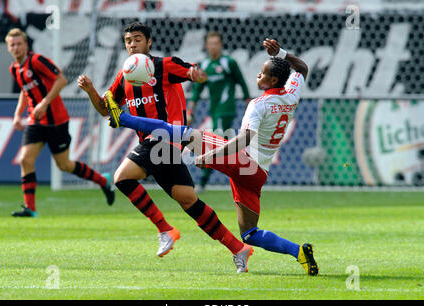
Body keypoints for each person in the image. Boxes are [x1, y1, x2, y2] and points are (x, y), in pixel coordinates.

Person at [106, 38, 319, 276]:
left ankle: (123, 119)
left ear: (273, 81)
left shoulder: (259, 105)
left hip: (244, 161)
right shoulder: (291, 93)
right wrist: (282, 53)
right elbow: (302, 68)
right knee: (250, 234)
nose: (258, 76)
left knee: (185, 134)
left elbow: (243, 140)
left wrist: (210, 156)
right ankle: (299, 252)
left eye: (262, 74)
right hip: (258, 174)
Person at [77, 22, 253, 273]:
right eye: (128, 40)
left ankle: (165, 229)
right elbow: (107, 110)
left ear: (149, 42)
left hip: (165, 139)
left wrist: (197, 75)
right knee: (188, 200)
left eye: (138, 39)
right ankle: (239, 248)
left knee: (122, 178)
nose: (132, 44)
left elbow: (194, 72)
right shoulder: (125, 76)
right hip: (158, 146)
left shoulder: (163, 65)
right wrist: (91, 91)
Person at [5, 28, 115, 218]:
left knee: (64, 165)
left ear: (26, 45)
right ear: (8, 48)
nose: (16, 47)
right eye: (12, 45)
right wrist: (17, 114)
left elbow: (61, 79)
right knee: (25, 159)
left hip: (57, 121)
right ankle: (30, 208)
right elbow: (25, 91)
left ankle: (102, 180)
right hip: (36, 121)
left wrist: (44, 102)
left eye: (18, 44)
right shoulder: (14, 68)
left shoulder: (37, 61)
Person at [188, 31, 250, 193]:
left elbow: (242, 82)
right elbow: (197, 89)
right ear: (206, 46)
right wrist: (190, 109)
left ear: (221, 45)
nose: (213, 46)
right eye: (210, 43)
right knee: (226, 145)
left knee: (217, 144)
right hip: (215, 111)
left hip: (226, 110)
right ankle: (243, 174)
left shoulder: (229, 62)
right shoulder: (205, 65)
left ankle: (202, 181)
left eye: (216, 43)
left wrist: (248, 102)